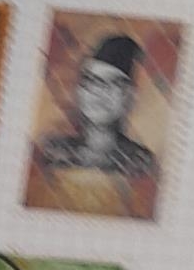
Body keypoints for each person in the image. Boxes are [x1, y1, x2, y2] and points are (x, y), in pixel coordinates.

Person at [33, 31, 160, 215]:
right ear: (79, 90)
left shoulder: (140, 162)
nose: (99, 92)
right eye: (91, 81)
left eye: (114, 84)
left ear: (130, 96)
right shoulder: (53, 151)